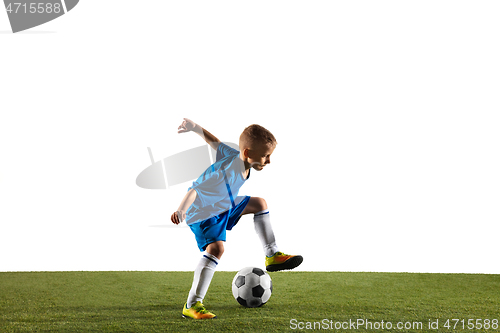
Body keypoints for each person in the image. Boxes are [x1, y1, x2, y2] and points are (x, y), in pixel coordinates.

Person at [171, 118, 303, 319]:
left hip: (224, 203)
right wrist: (181, 209)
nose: (268, 161)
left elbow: (214, 143)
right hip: (202, 212)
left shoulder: (236, 155)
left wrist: (195, 128)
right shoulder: (224, 175)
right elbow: (195, 192)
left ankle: (272, 255)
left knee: (260, 204)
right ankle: (192, 304)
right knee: (216, 249)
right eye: (266, 156)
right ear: (248, 153)